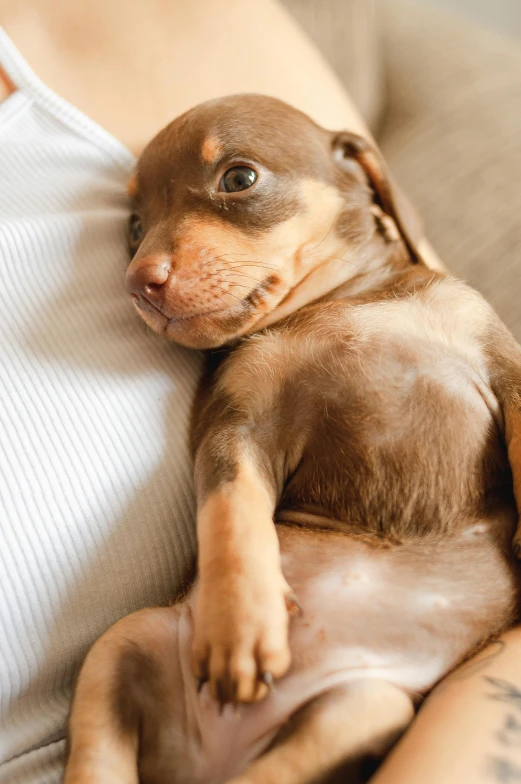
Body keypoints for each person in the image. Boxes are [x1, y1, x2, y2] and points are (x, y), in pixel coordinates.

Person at [0, 1, 519, 782]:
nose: (148, 267)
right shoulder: (259, 353)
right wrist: (233, 569)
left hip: (392, 690)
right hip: (179, 693)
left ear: (364, 179)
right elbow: (231, 450)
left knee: (367, 708)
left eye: (235, 181)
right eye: (137, 229)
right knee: (129, 644)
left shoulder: (442, 303)